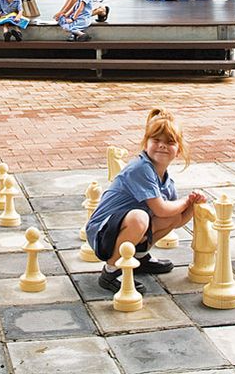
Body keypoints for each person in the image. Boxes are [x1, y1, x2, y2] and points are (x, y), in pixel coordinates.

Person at [84, 108, 207, 292]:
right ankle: (111, 270)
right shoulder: (141, 169)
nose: (162, 146)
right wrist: (186, 201)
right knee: (139, 217)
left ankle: (139, 256)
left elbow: (176, 220)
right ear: (145, 144)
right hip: (102, 234)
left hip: (120, 231)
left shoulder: (166, 180)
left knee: (169, 216)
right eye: (156, 140)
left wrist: (194, 204)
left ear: (178, 150)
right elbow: (161, 210)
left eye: (170, 142)